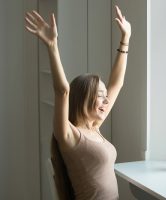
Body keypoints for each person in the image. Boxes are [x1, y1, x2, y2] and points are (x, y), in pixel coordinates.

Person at [25, 5, 131, 200]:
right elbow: (63, 91)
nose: (106, 99)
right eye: (99, 95)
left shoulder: (95, 127)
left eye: (105, 95)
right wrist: (52, 45)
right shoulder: (69, 136)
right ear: (82, 98)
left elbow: (117, 83)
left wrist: (126, 39)